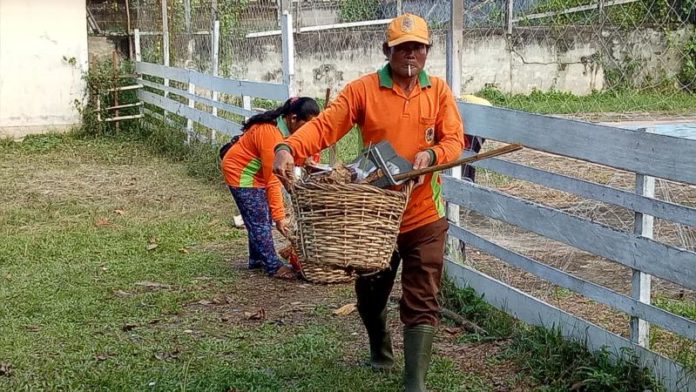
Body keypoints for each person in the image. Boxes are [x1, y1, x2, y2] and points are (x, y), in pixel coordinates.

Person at [273, 14, 466, 392]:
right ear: (387, 51)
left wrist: (432, 154)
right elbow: (326, 125)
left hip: (425, 213)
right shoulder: (363, 91)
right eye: (402, 47)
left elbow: (455, 140)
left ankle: (415, 382)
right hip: (373, 219)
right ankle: (380, 348)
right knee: (370, 293)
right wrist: (288, 147)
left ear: (427, 51)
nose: (411, 54)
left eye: (418, 47)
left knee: (423, 292)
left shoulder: (439, 92)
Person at [221, 97, 320, 279]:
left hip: (255, 173)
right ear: (293, 118)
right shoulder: (270, 134)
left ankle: (257, 259)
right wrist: (280, 218)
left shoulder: (284, 130)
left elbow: (289, 158)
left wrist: (307, 160)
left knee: (260, 217)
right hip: (242, 174)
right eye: (307, 125)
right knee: (260, 221)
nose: (309, 130)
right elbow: (273, 180)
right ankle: (273, 266)